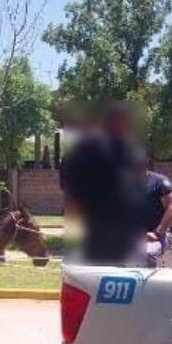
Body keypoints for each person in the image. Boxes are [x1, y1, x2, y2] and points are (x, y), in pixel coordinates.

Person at [60, 104, 145, 264]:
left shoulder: (126, 148)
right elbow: (70, 184)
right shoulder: (89, 148)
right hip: (94, 218)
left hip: (120, 221)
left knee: (117, 264)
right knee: (92, 263)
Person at [143, 169, 172, 268]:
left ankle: (148, 283)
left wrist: (157, 233)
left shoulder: (159, 182)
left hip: (159, 235)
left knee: (146, 253)